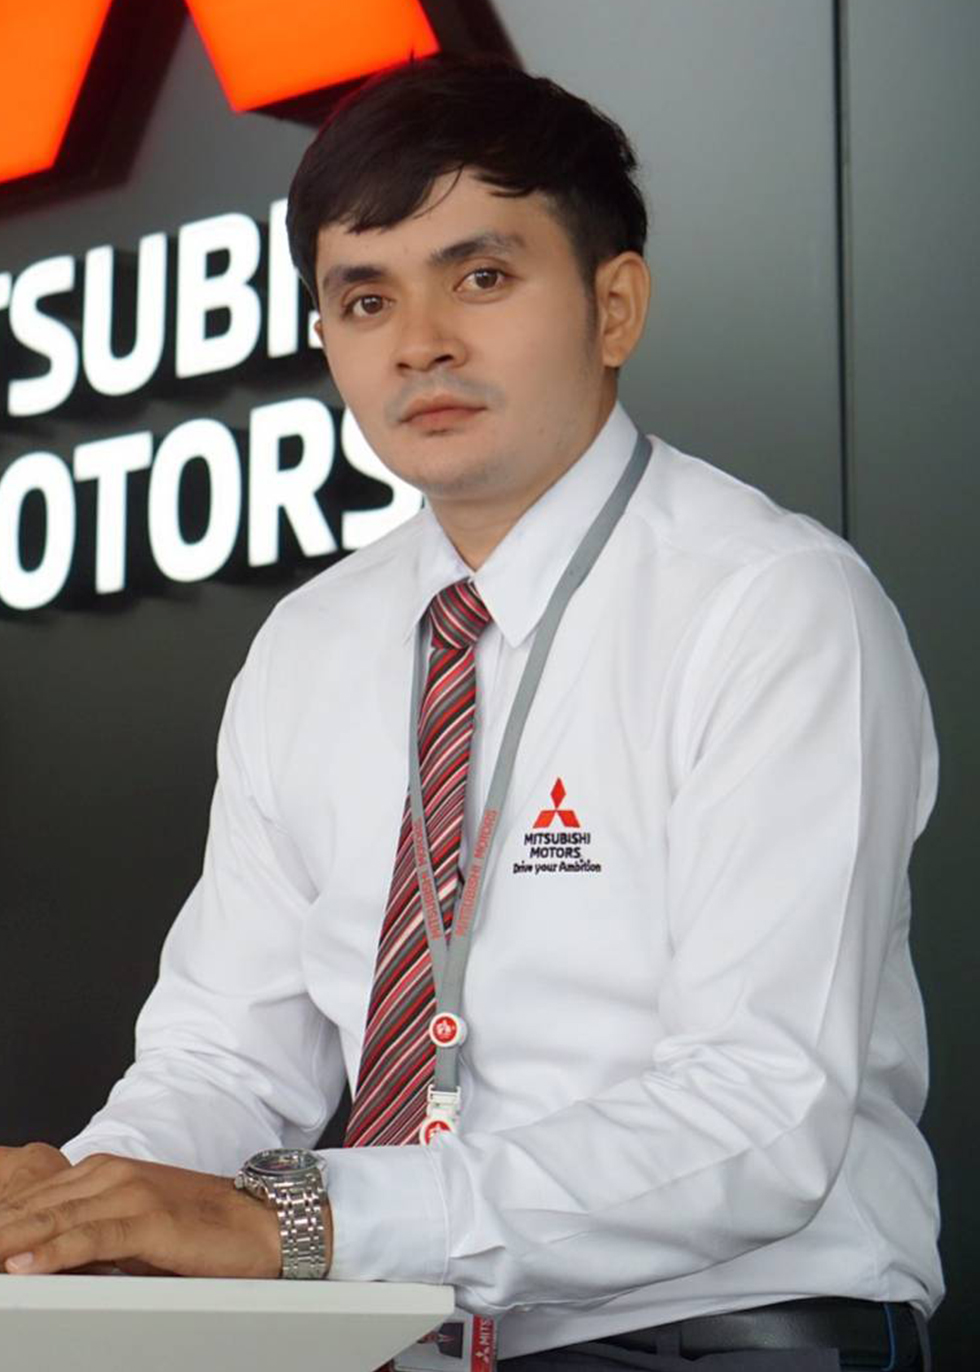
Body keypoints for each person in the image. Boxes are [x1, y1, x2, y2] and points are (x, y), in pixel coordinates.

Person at [0, 52, 941, 1371]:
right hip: (396, 1336)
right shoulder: (312, 644)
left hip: (714, 1334)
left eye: (482, 277)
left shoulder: (770, 604)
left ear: (615, 306)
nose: (420, 341)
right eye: (365, 297)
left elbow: (762, 1109)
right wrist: (72, 1220)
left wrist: (303, 1220)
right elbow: (225, 1058)